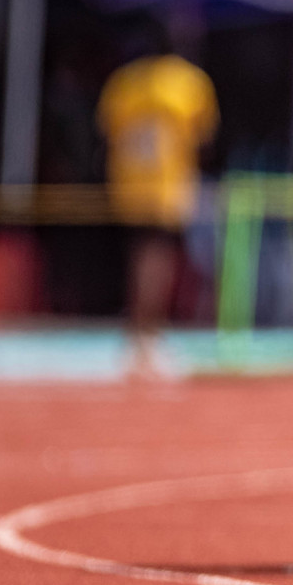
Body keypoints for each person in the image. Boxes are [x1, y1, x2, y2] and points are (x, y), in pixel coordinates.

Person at [96, 52, 218, 374]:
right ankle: (146, 333)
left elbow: (106, 129)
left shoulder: (123, 80)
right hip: (166, 185)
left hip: (128, 183)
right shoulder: (185, 80)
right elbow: (205, 135)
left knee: (139, 256)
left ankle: (140, 333)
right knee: (157, 259)